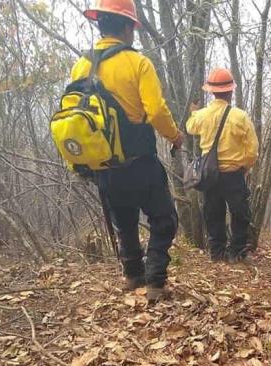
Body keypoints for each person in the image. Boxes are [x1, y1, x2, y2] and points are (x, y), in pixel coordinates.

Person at [71, 0, 184, 302]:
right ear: (126, 26)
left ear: (100, 23)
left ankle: (133, 274)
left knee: (125, 220)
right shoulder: (137, 63)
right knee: (165, 220)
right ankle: (155, 282)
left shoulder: (82, 64)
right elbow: (157, 110)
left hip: (103, 165)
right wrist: (175, 137)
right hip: (139, 161)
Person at [186, 68, 258, 262]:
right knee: (240, 213)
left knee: (212, 213)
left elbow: (190, 127)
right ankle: (238, 252)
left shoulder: (201, 115)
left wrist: (193, 113)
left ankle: (217, 253)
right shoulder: (240, 116)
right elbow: (252, 150)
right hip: (234, 174)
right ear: (231, 91)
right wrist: (246, 167)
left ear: (211, 91)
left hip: (210, 175)